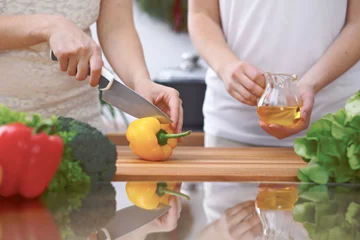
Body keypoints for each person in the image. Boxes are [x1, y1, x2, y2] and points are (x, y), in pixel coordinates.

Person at [188, 0, 360, 229]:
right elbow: (201, 14)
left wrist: (310, 84)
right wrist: (226, 67)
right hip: (233, 133)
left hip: (331, 136)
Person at [0, 0, 183, 134]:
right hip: (5, 126)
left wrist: (140, 81)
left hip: (81, 125)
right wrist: (49, 26)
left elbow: (117, 27)